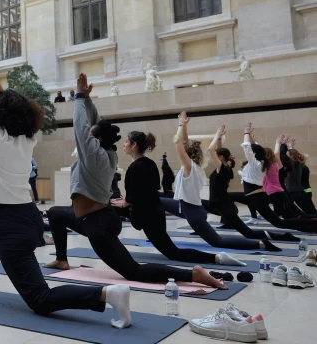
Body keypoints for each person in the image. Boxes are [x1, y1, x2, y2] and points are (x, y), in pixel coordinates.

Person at [0, 41, 133, 330]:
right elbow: (5, 103)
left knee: (39, 298)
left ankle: (108, 294)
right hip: (21, 215)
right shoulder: (26, 136)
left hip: (10, 224)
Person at [46, 77, 226, 292]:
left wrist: (78, 97)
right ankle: (61, 259)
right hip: (91, 218)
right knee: (55, 213)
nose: (89, 136)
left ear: (97, 140)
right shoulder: (108, 152)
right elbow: (95, 124)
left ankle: (192, 274)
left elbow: (80, 126)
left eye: (92, 135)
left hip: (98, 224)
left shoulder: (94, 155)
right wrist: (87, 100)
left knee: (133, 271)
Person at [113, 130, 246, 266]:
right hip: (156, 212)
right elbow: (150, 190)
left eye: (126, 141)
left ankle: (217, 258)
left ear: (134, 145)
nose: (124, 144)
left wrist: (126, 202)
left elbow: (136, 194)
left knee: (174, 253)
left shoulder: (135, 167)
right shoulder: (150, 163)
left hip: (151, 216)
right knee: (111, 208)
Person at [159, 113, 281, 252]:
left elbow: (178, 143)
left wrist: (181, 124)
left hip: (193, 212)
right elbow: (185, 143)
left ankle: (260, 244)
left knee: (218, 242)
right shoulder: (194, 166)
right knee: (154, 199)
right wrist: (185, 126)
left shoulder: (190, 167)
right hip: (185, 205)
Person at [203, 125, 297, 242]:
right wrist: (220, 138)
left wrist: (217, 135)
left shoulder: (224, 168)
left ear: (220, 158)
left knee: (254, 232)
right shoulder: (225, 167)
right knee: (192, 204)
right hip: (220, 204)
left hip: (225, 206)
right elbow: (218, 151)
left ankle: (286, 235)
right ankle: (200, 224)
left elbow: (211, 150)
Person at [240, 124, 317, 232]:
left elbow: (251, 152)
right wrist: (253, 141)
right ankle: (311, 225)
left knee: (289, 219)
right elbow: (256, 152)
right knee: (295, 216)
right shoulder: (272, 165)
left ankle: (312, 226)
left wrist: (277, 143)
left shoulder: (269, 166)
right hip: (281, 193)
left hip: (277, 194)